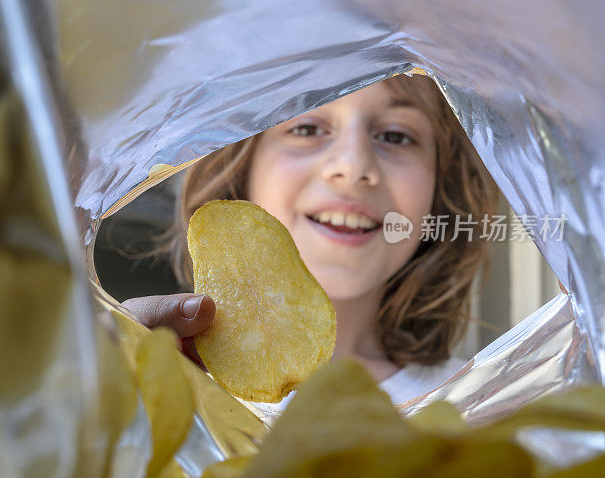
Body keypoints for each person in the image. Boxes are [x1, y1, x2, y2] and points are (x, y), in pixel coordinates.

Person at [121, 74, 500, 405]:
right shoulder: (164, 380)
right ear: (242, 167)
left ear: (440, 187)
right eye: (306, 128)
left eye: (395, 135)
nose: (352, 167)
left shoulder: (500, 410)